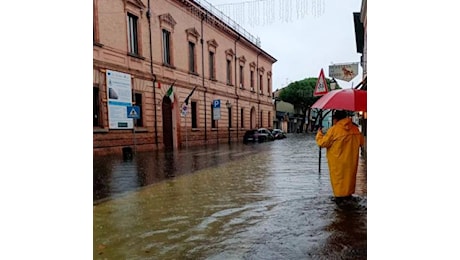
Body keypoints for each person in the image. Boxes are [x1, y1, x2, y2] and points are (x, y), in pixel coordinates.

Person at [316, 110, 364, 202]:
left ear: (335, 119)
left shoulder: (334, 130)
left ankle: (340, 202)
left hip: (337, 163)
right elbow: (361, 142)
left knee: (339, 184)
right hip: (351, 162)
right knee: (349, 182)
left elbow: (322, 143)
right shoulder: (355, 129)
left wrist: (319, 134)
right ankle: (348, 199)